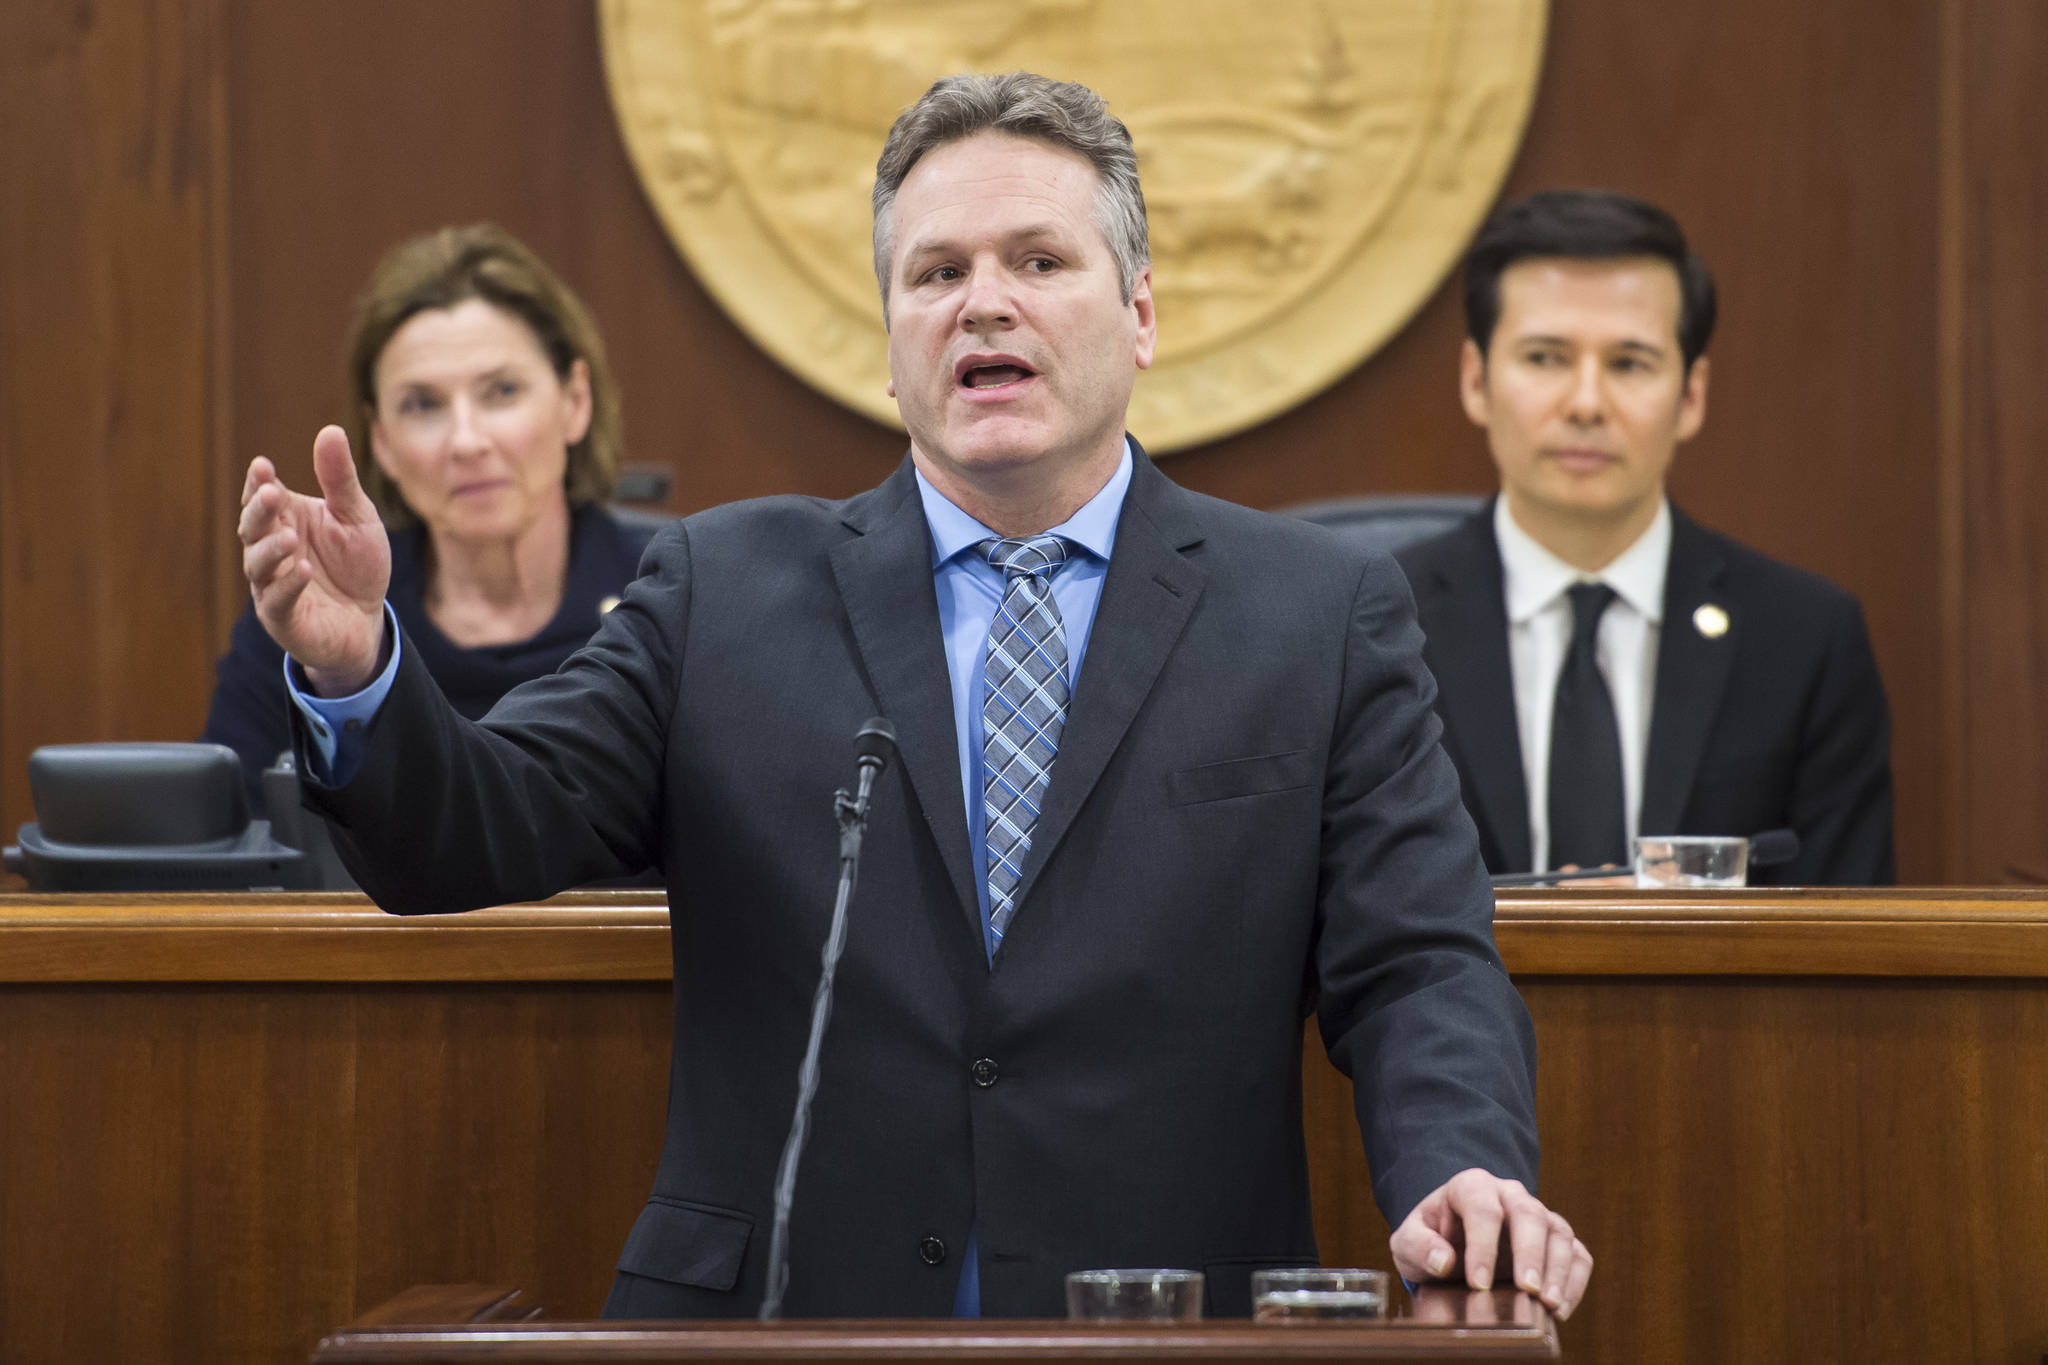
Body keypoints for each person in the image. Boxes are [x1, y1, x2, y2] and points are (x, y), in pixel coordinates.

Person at [236, 74, 1591, 1320]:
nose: (982, 304)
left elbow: (1416, 958)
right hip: (787, 1318)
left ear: (1141, 315)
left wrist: (1461, 1166)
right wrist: (360, 669)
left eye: (1040, 263)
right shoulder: (723, 585)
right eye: (935, 272)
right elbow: (481, 823)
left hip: (1167, 1322)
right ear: (891, 345)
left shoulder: (1315, 612)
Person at [1396, 190, 1895, 886]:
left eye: (1630, 363)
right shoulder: (1377, 629)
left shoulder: (1805, 639)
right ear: (1476, 380)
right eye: (1545, 358)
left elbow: (1851, 945)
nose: (1587, 403)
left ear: (1691, 395)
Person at [201, 224, 657, 808]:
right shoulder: (324, 598)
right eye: (423, 405)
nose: (466, 441)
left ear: (575, 402)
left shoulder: (666, 601)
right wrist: (346, 674)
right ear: (382, 442)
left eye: (502, 391)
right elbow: (225, 845)